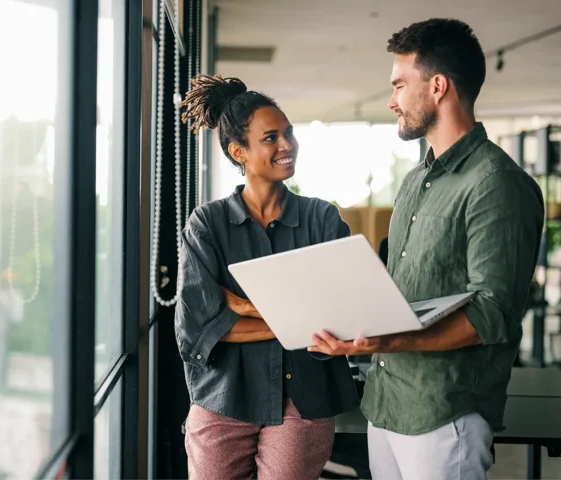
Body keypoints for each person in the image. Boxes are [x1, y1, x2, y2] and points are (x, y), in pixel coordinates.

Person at [308, 18, 544, 480]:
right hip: (387, 403)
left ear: (438, 86)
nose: (392, 100)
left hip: (444, 414)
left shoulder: (497, 184)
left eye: (399, 85)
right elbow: (401, 292)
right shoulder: (417, 180)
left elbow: (491, 313)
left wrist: (389, 340)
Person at [175, 74, 359, 480]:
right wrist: (299, 320)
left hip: (303, 401)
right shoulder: (207, 224)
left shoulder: (322, 219)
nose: (287, 145)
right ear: (238, 151)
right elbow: (200, 328)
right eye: (271, 137)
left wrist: (243, 308)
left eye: (289, 134)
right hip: (223, 398)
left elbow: (342, 311)